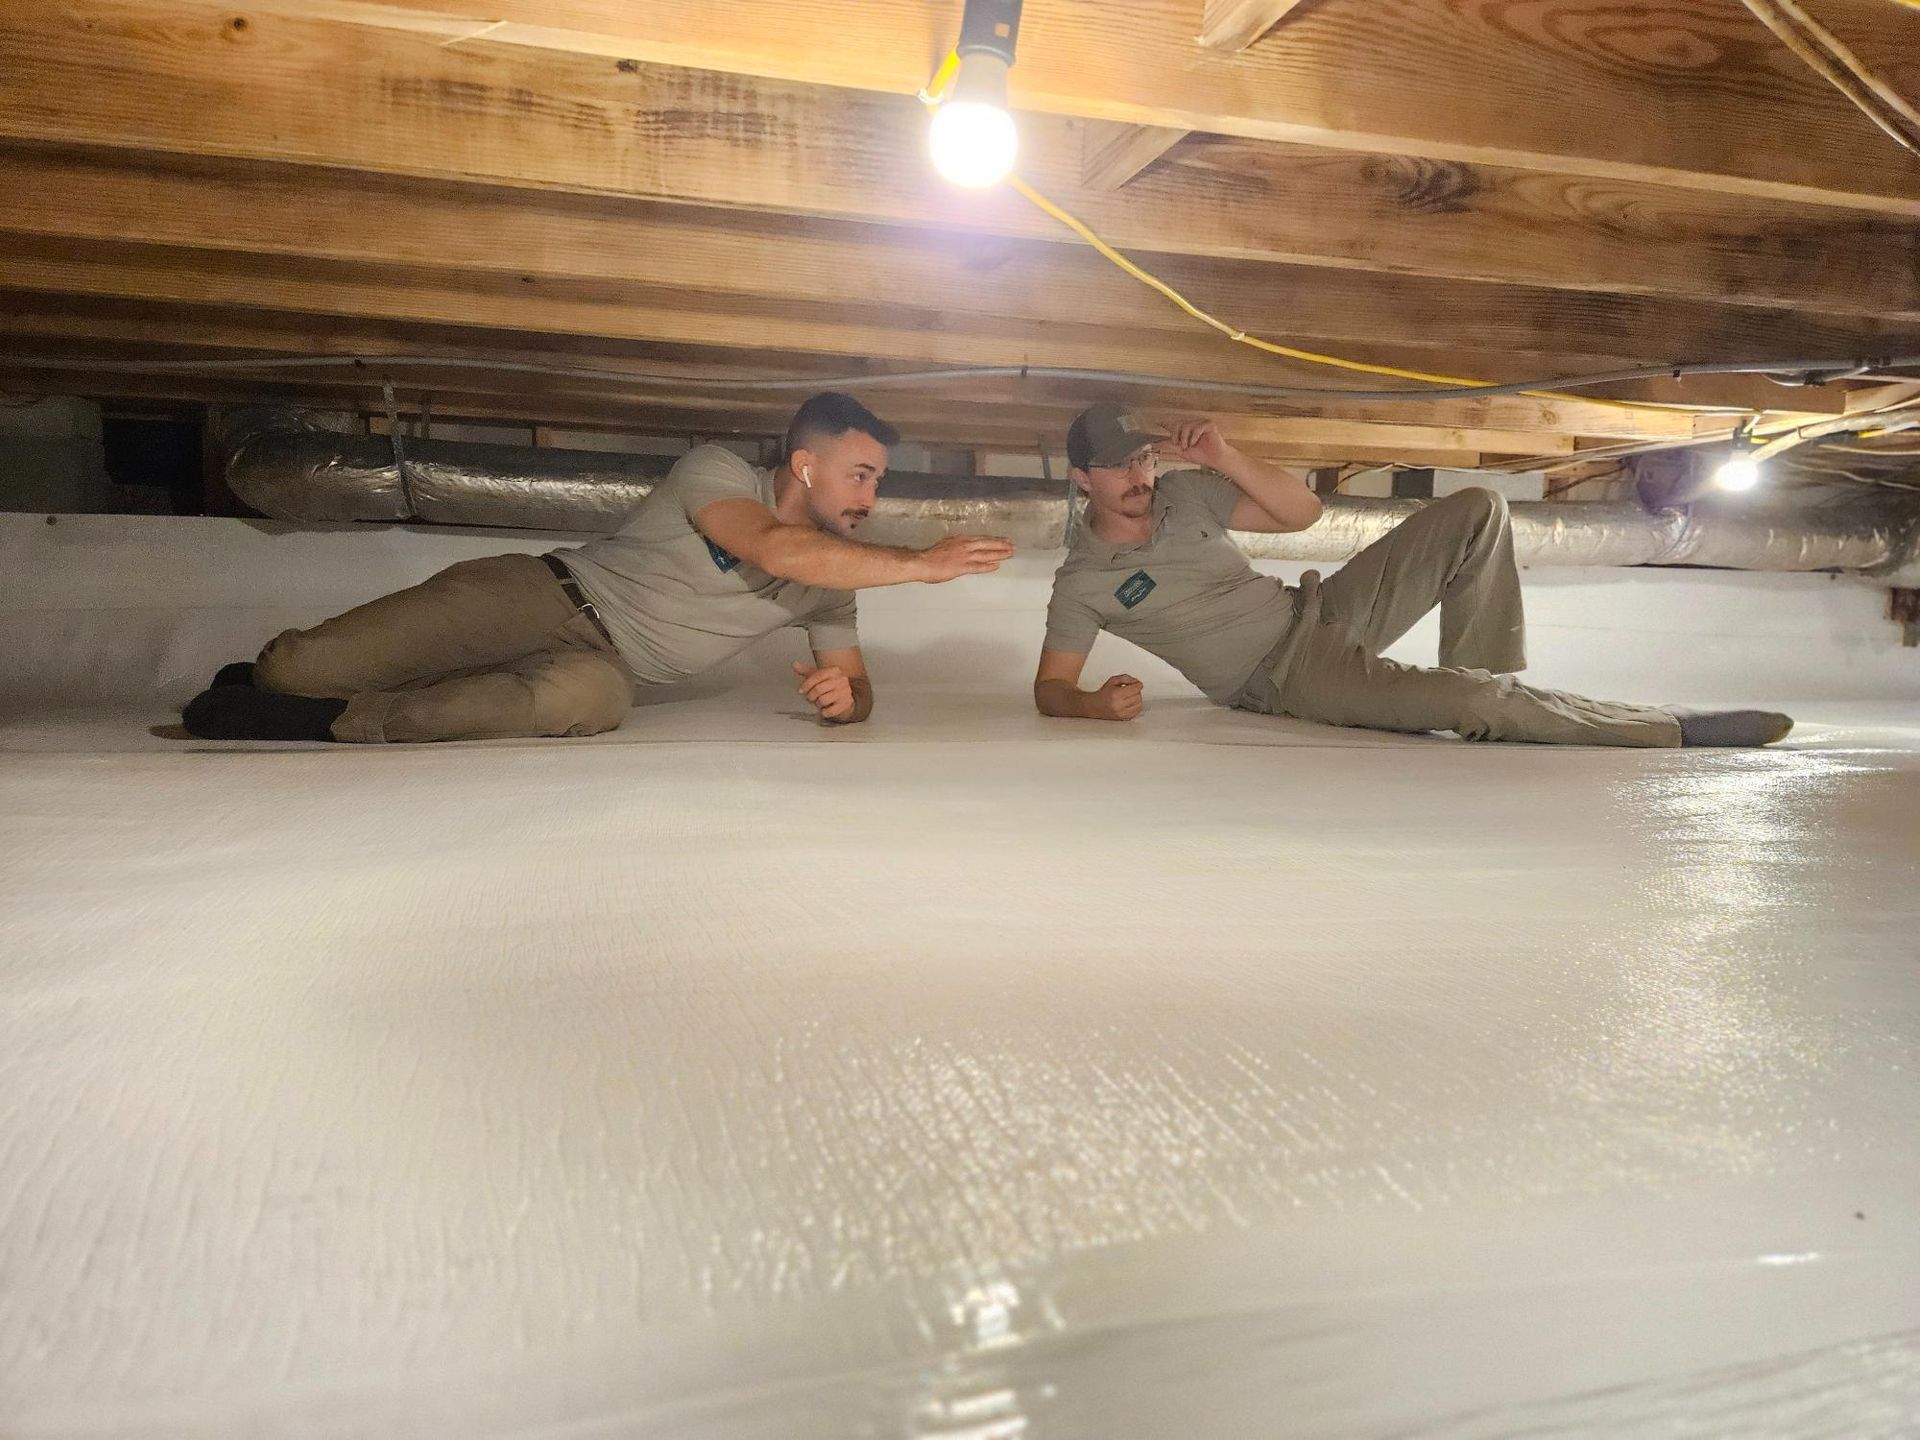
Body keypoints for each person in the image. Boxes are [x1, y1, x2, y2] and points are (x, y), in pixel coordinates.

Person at [181, 393, 1014, 743]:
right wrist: (919, 566)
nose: (872, 494)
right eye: (862, 474)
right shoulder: (719, 471)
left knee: (580, 703)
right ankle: (281, 683)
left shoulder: (828, 577)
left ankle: (319, 724)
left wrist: (848, 701)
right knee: (296, 666)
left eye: (877, 481)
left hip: (608, 666)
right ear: (804, 466)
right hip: (541, 595)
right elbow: (769, 545)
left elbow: (857, 683)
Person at [1032, 402, 1793, 748]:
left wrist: (1224, 456)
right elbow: (1049, 687)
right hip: (1281, 679)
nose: (1137, 472)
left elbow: (1299, 516)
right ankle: (1665, 729)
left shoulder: (1185, 494)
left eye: (1143, 456)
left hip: (1322, 612)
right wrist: (1094, 708)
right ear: (1081, 479)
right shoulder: (1083, 584)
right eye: (1117, 465)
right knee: (1461, 701)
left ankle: (1504, 697)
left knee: (1476, 508)